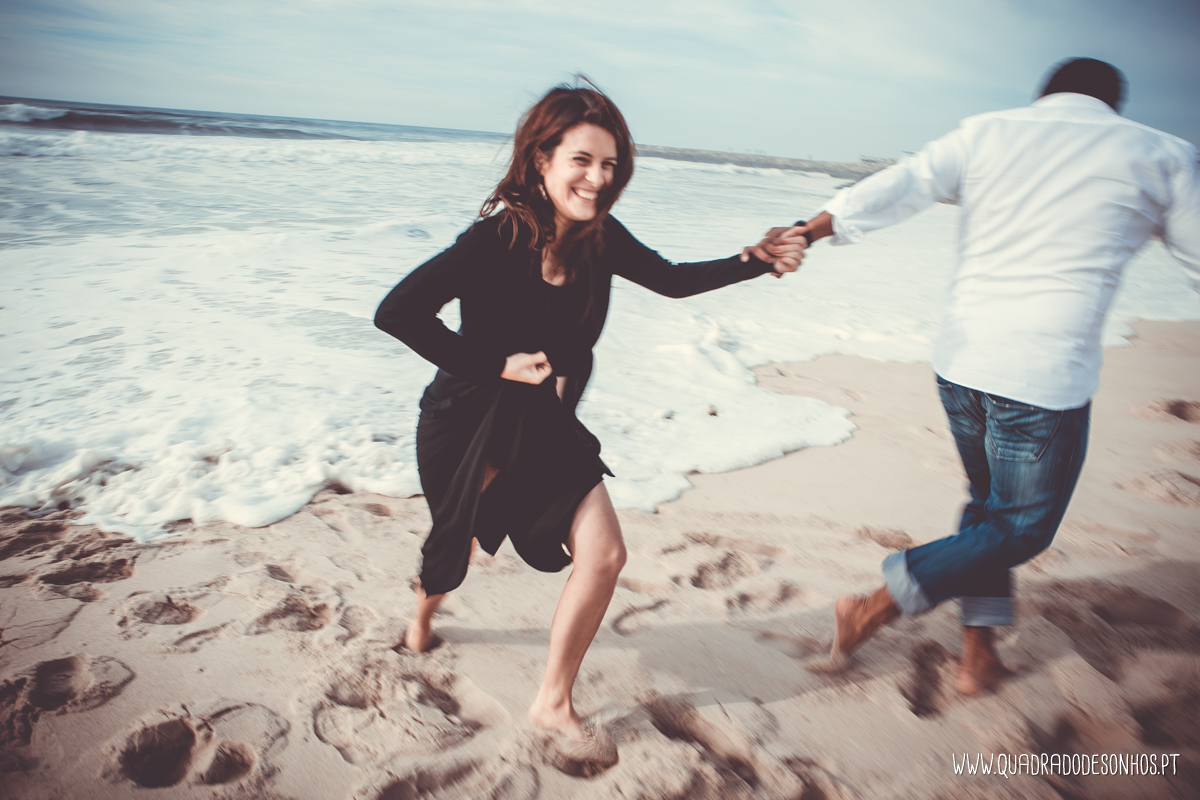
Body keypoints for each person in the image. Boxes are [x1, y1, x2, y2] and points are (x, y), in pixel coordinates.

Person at [374, 82, 805, 742]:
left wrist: (758, 260)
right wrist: (496, 364)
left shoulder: (601, 239)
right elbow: (397, 312)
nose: (598, 178)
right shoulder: (493, 239)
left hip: (544, 423)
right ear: (541, 159)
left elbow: (673, 279)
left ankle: (552, 701)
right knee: (456, 542)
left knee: (604, 555)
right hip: (467, 420)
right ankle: (423, 616)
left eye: (609, 164)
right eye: (581, 160)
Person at [754, 58, 1200, 693]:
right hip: (1043, 379)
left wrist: (807, 230)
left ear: (1044, 95)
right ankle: (875, 606)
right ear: (1113, 103)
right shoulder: (1161, 154)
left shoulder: (987, 131)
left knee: (988, 511)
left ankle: (978, 656)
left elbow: (898, 187)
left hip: (961, 365)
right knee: (1020, 529)